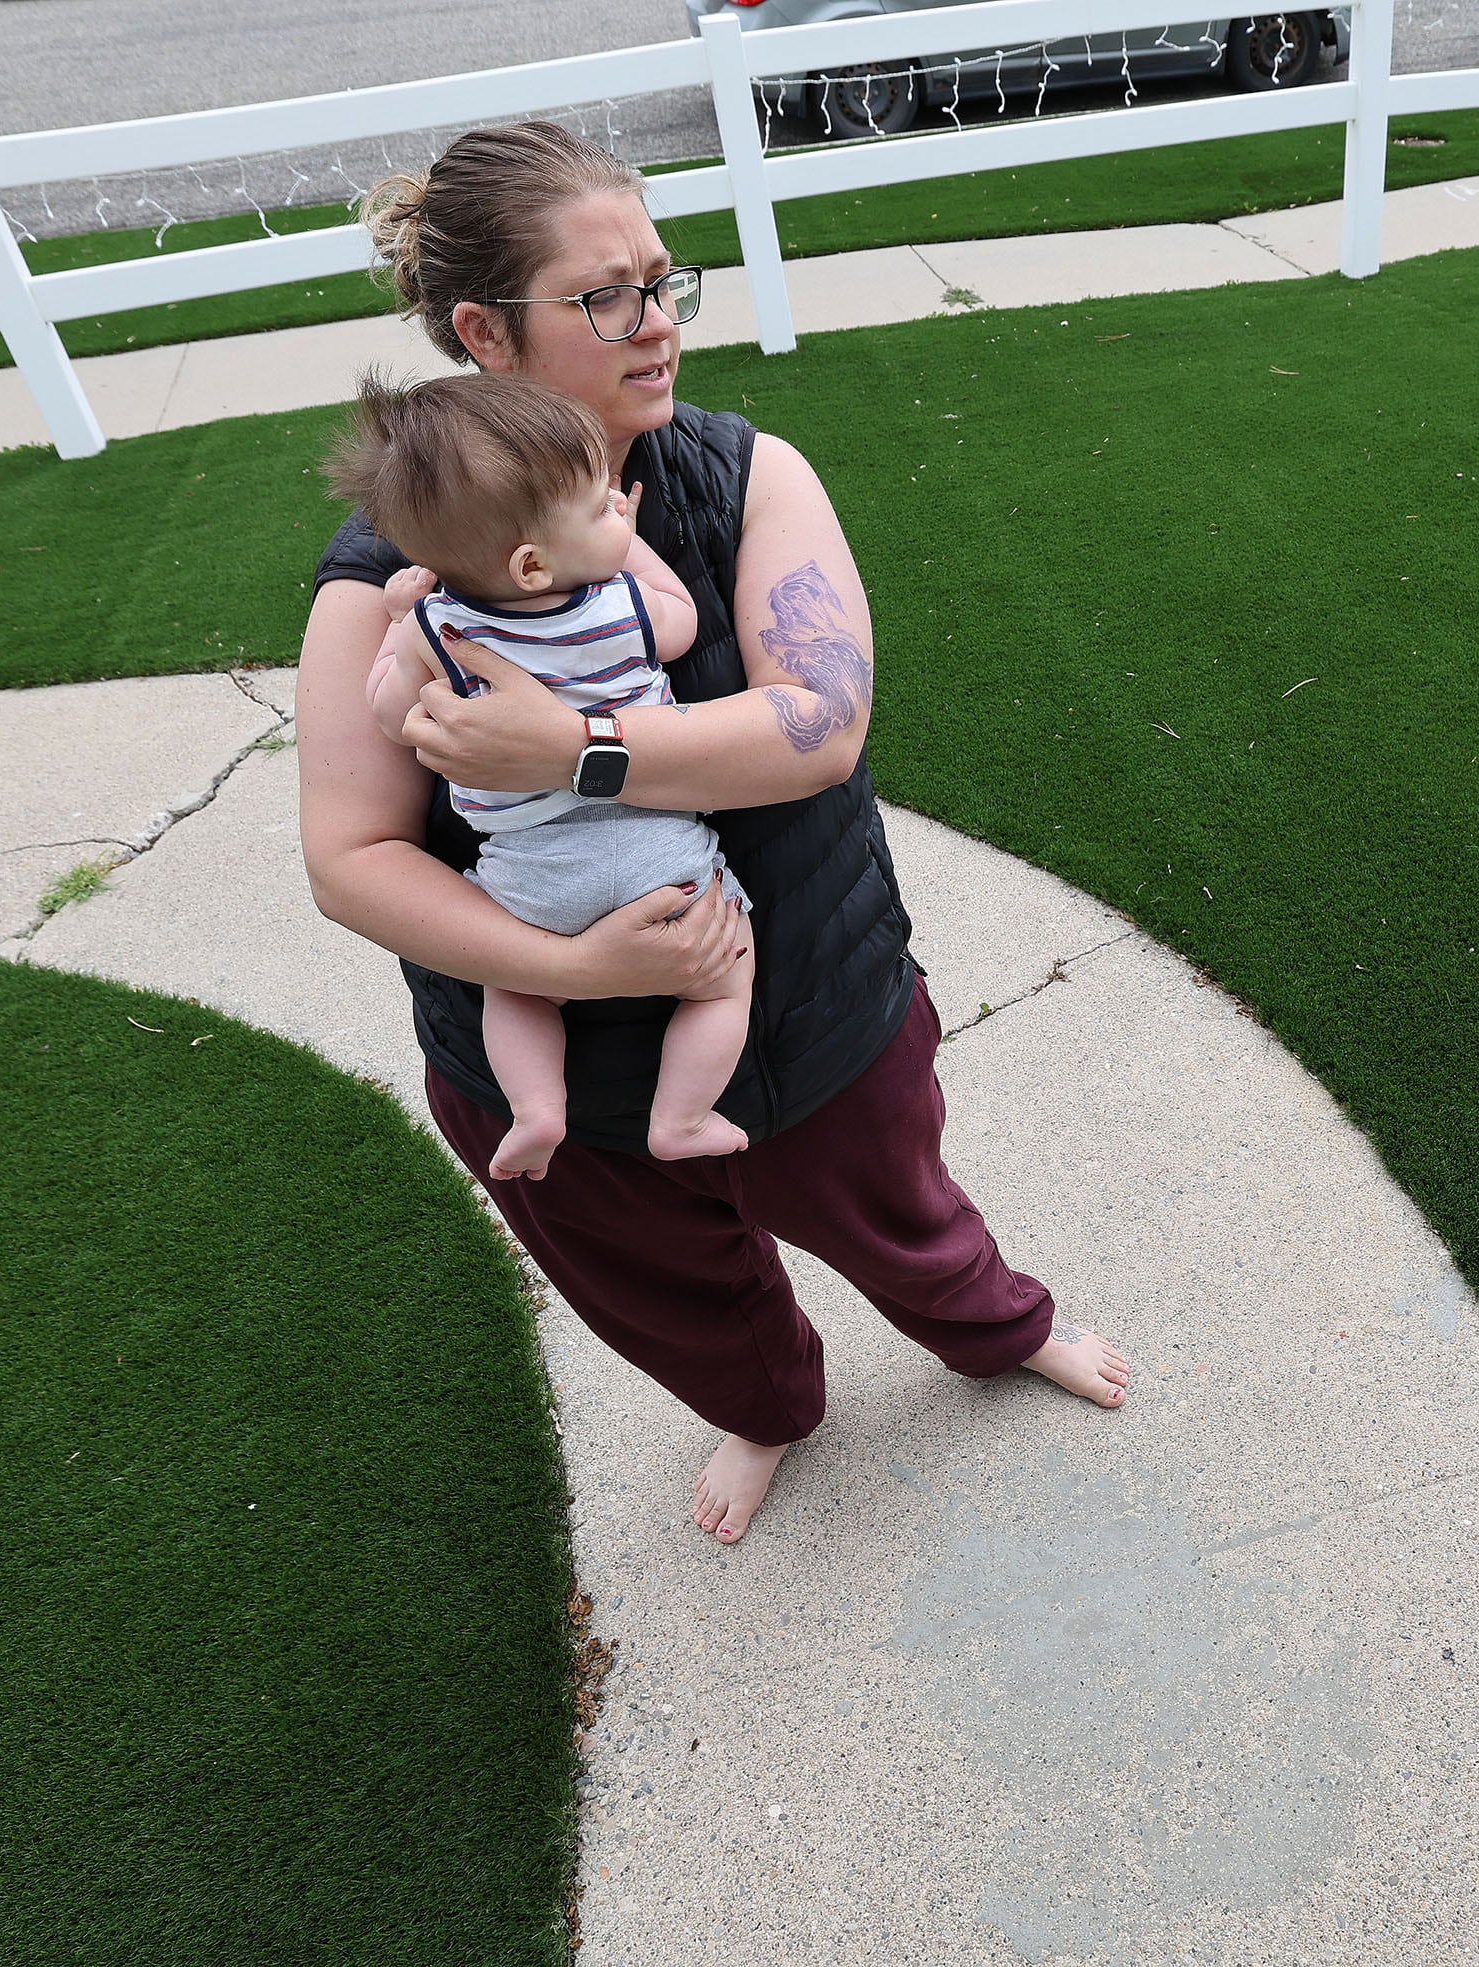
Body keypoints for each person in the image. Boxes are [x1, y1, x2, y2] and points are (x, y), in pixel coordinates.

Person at [294, 121, 1131, 1547]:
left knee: (908, 1216)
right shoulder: (390, 576)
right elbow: (350, 859)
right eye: (605, 297)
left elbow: (824, 721)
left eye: (664, 281)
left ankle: (998, 1328)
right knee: (673, 1294)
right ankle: (769, 1404)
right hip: (550, 1073)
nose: (658, 322)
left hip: (808, 1006)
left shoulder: (745, 475)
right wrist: (574, 971)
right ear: (486, 333)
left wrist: (574, 748)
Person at [328, 370, 751, 1181]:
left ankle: (535, 1110)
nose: (617, 506)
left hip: (529, 872)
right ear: (530, 565)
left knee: (514, 990)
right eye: (598, 507)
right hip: (656, 848)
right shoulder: (620, 604)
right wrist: (631, 545)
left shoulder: (439, 628)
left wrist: (397, 622)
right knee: (728, 974)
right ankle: (682, 1116)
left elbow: (388, 712)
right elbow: (682, 620)